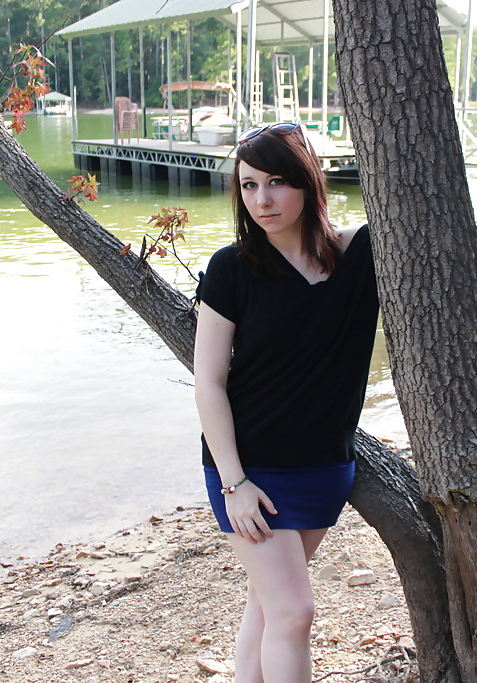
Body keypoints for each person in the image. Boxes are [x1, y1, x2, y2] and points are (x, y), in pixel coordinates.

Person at [194, 122, 379, 682]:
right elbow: (208, 383)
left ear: (307, 182)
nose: (262, 200)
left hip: (323, 467)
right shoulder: (232, 268)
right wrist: (235, 484)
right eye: (249, 186)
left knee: (268, 605)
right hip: (249, 470)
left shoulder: (363, 254)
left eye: (276, 182)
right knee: (294, 612)